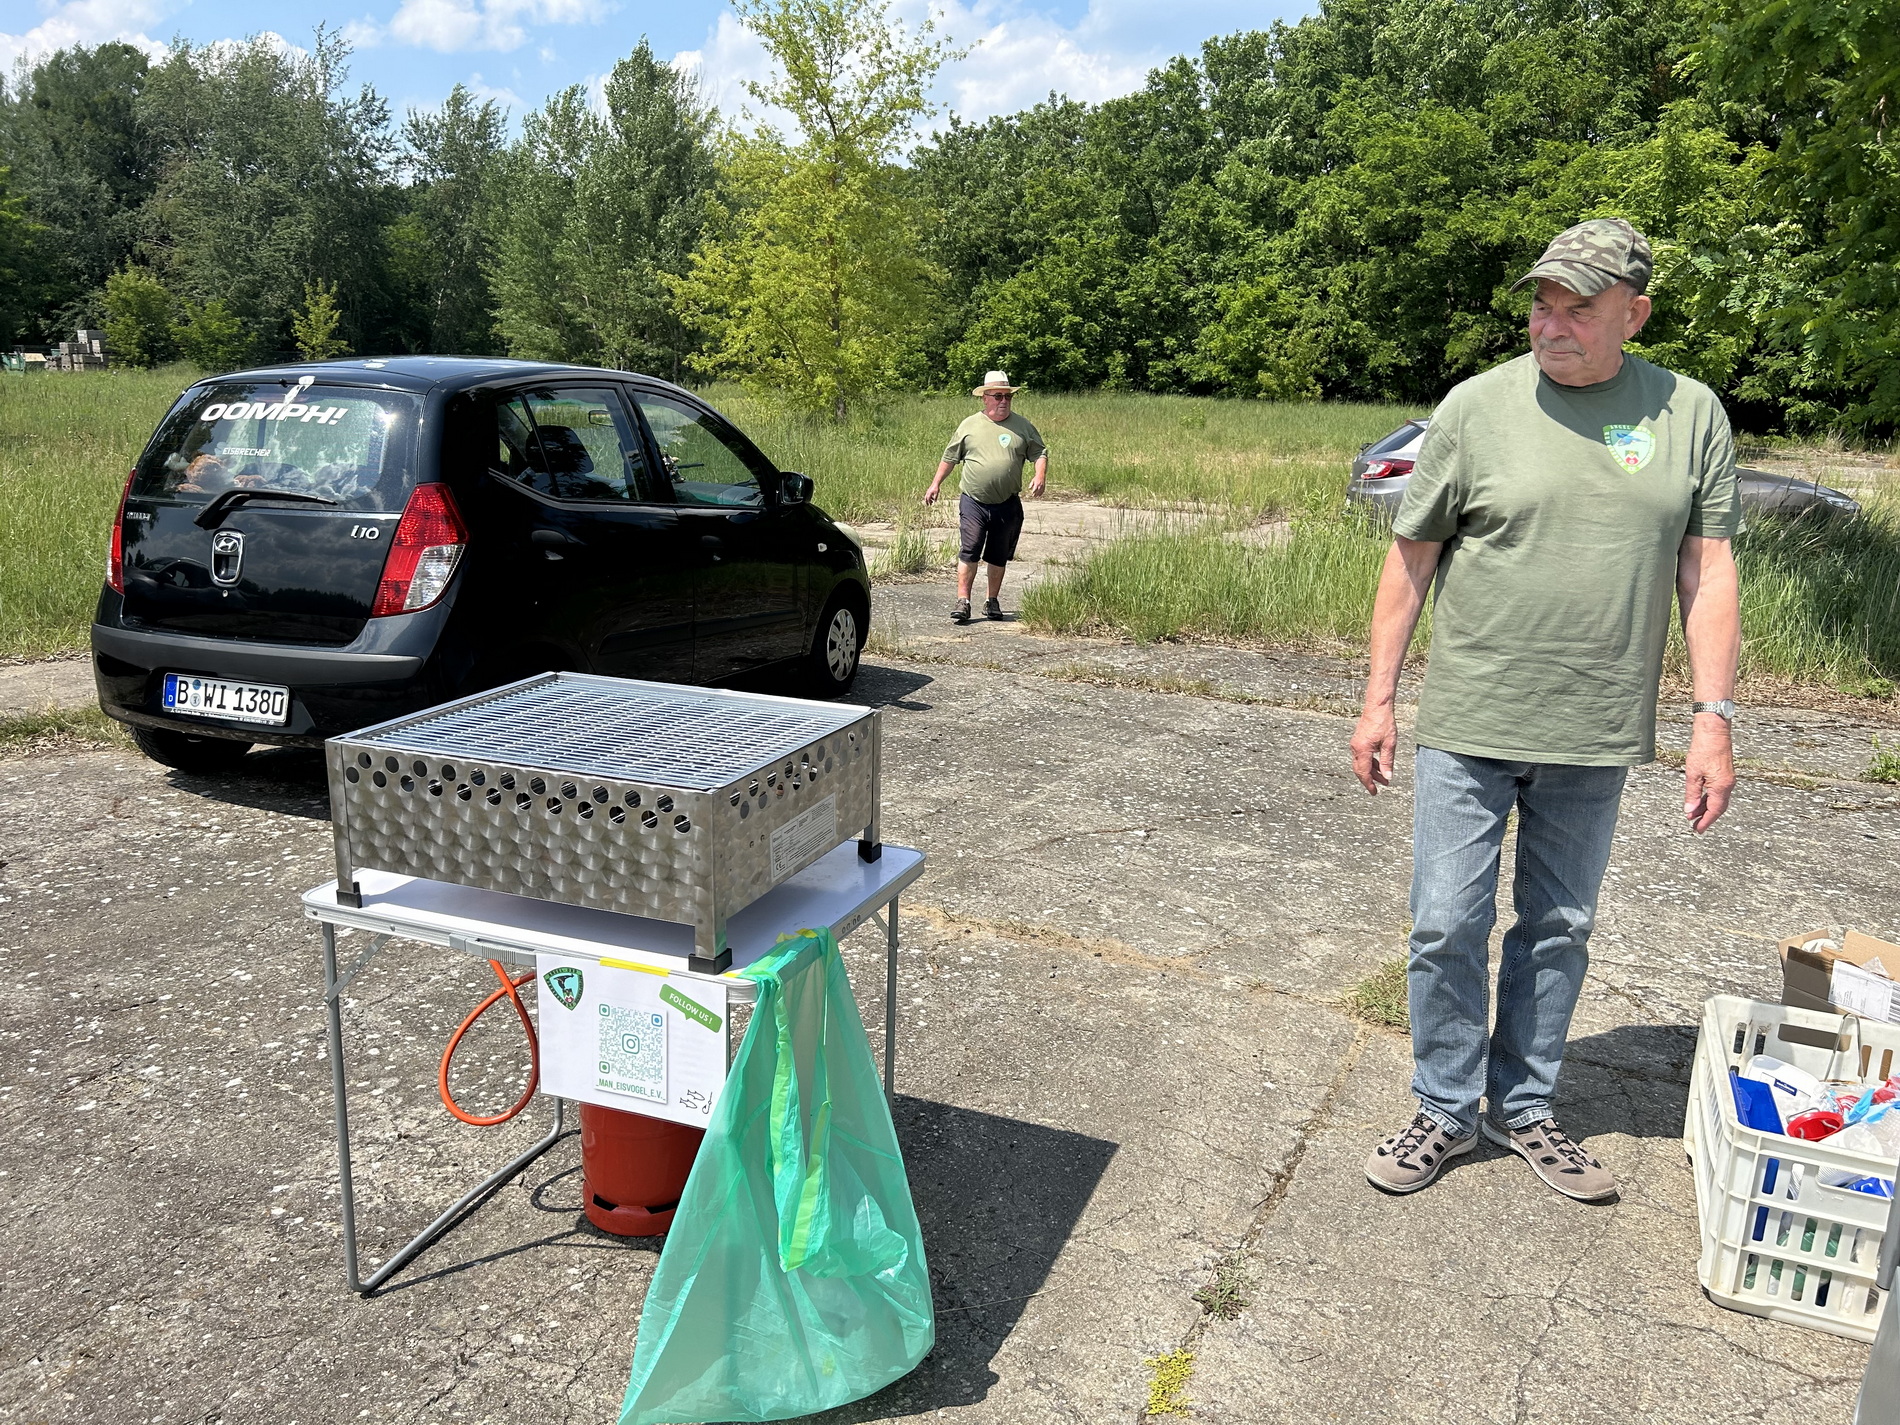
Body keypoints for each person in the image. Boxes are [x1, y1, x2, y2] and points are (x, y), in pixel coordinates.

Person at [1352, 218, 1742, 1202]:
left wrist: (1712, 718)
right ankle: (1444, 1108)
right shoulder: (1475, 408)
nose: (1551, 324)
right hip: (1471, 719)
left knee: (1558, 927)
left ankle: (1523, 1106)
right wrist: (1377, 699)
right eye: (1542, 303)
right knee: (1445, 923)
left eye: (1579, 308)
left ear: (1634, 314)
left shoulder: (1688, 413)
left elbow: (1706, 572)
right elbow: (1410, 561)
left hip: (1594, 729)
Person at [924, 370, 1048, 624]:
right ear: (985, 398)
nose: (1004, 401)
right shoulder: (969, 425)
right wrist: (935, 484)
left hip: (1007, 502)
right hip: (974, 500)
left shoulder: (1022, 426)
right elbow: (950, 457)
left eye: (1008, 396)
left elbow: (1039, 452)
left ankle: (992, 600)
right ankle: (963, 601)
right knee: (970, 550)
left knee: (998, 555)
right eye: (998, 396)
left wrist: (1040, 475)